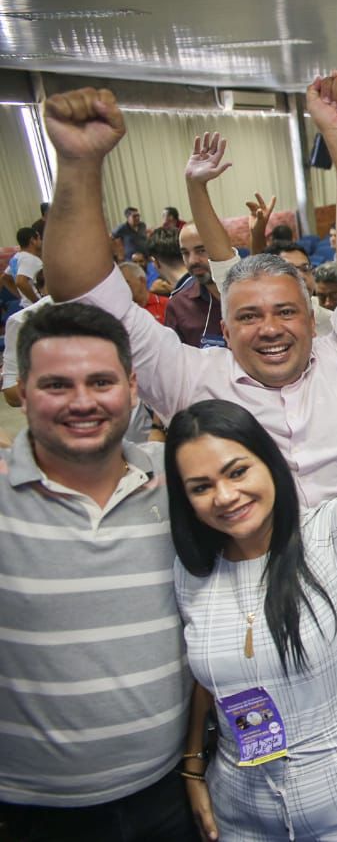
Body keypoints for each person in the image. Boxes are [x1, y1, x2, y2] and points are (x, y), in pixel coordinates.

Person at [40, 74, 337, 743]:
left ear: (314, 315)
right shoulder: (189, 379)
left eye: (284, 312)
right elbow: (87, 298)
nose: (269, 328)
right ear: (225, 320)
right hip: (250, 642)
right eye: (248, 316)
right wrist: (78, 165)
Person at [169, 275, 337, 840]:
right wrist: (193, 762)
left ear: (272, 466)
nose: (226, 496)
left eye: (238, 472)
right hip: (241, 805)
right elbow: (206, 676)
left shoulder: (332, 535)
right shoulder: (194, 570)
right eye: (201, 486)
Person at [0, 304, 196, 842]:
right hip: (34, 811)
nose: (83, 402)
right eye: (57, 385)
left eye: (101, 381)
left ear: (132, 387)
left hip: (171, 791)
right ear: (21, 390)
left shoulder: (181, 482)